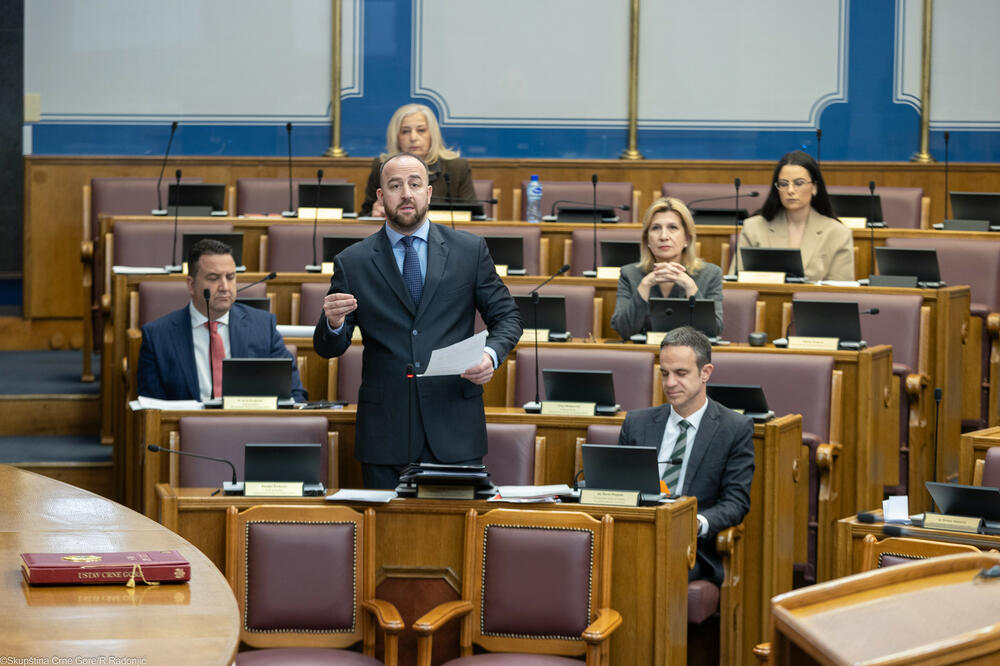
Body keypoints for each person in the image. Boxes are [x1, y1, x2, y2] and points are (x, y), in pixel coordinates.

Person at [314, 153, 522, 489]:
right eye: (395, 186)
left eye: (414, 184)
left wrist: (491, 355)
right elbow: (329, 348)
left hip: (454, 425)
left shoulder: (468, 251)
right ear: (381, 198)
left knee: (454, 537)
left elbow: (508, 317)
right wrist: (333, 323)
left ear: (428, 192)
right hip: (386, 432)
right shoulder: (353, 262)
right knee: (385, 539)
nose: (406, 193)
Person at [618, 326, 754, 583]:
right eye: (665, 373)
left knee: (649, 569)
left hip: (690, 547)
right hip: (635, 534)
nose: (670, 383)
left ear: (706, 373)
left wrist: (696, 523)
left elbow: (736, 502)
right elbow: (618, 489)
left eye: (681, 373)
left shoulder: (733, 428)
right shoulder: (636, 423)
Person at [137, 239, 307, 403]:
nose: (225, 287)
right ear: (191, 284)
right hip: (189, 429)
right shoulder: (158, 337)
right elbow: (151, 410)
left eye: (231, 277)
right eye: (213, 278)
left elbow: (294, 393)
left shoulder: (263, 326)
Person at [610, 197, 723, 340]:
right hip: (644, 355)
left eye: (673, 228)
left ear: (687, 238)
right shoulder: (630, 274)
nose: (664, 236)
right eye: (656, 228)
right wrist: (644, 286)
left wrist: (691, 288)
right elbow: (623, 330)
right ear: (647, 240)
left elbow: (714, 331)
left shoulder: (710, 274)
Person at [734, 150, 854, 282]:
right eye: (784, 184)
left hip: (812, 302)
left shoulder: (837, 233)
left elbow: (841, 291)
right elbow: (737, 284)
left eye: (799, 183)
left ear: (814, 187)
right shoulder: (753, 228)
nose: (790, 191)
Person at [359, 103, 476, 218]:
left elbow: (473, 216)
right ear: (396, 137)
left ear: (432, 134)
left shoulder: (457, 167)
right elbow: (365, 214)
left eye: (421, 130)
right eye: (405, 131)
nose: (413, 138)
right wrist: (374, 214)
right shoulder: (382, 167)